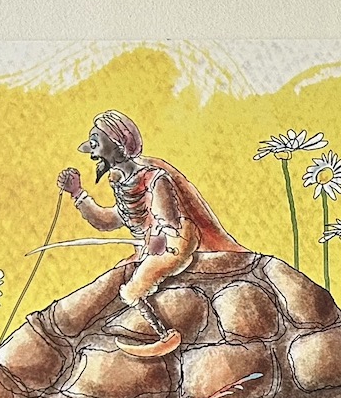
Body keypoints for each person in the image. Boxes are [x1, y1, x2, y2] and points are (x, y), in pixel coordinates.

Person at [57, 111, 249, 357]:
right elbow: (108, 220)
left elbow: (168, 219)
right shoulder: (121, 180)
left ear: (117, 142)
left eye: (96, 139)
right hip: (148, 246)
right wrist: (78, 194)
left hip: (175, 241)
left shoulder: (154, 178)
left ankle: (164, 335)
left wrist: (158, 236)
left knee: (136, 287)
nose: (90, 147)